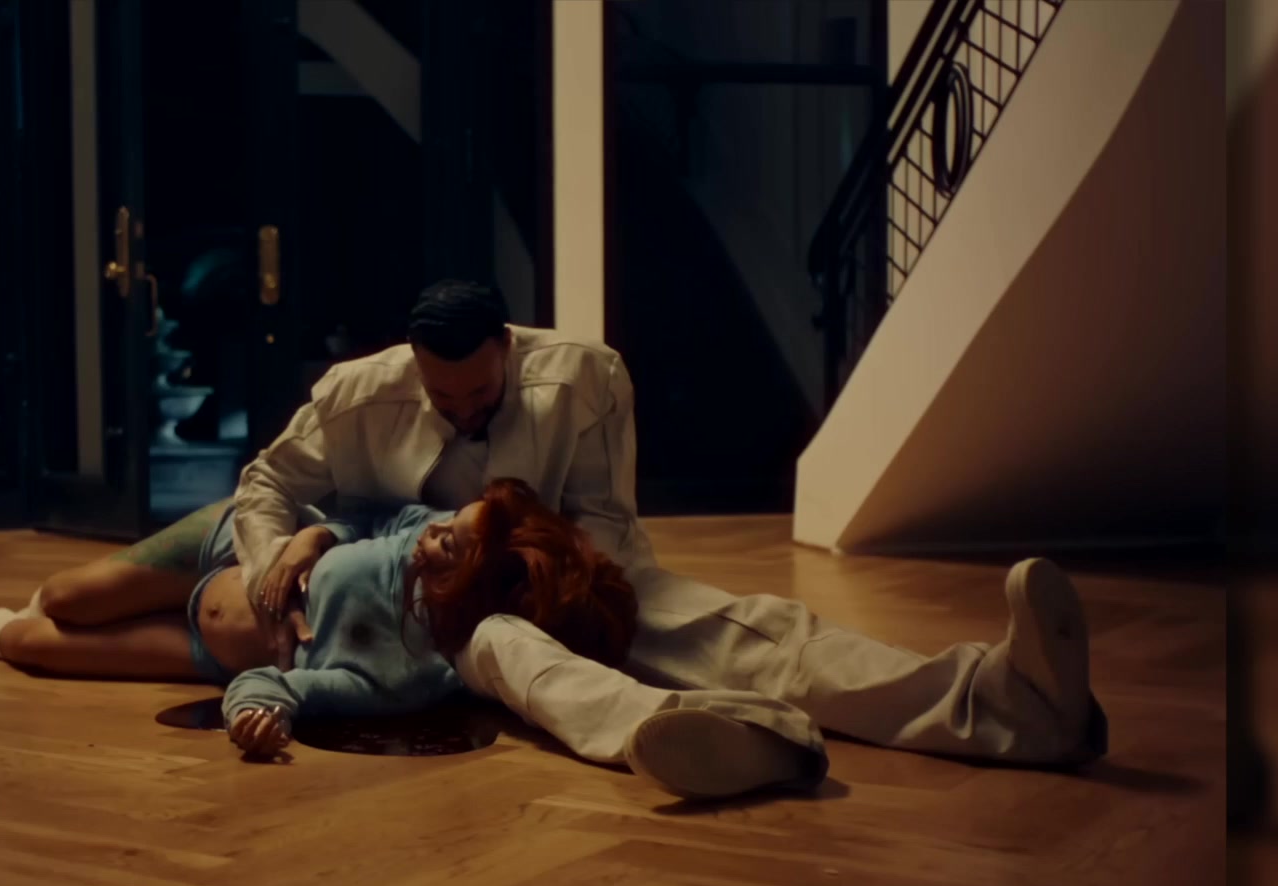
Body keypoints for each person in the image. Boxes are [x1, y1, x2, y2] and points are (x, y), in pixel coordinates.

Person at [223, 280, 1104, 799]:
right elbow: (265, 484)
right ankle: (724, 735)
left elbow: (605, 533)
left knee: (755, 634)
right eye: (440, 399)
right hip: (428, 622)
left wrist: (550, 590)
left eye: (479, 394)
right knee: (522, 660)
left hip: (562, 581)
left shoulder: (587, 377)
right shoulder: (353, 393)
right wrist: (274, 577)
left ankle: (1008, 700)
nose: (462, 414)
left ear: (508, 348)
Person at [0, 479, 639, 760]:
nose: (432, 533)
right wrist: (311, 538)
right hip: (230, 547)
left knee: (32, 644)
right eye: (447, 521)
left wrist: (256, 717)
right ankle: (29, 604)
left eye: (449, 544)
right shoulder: (420, 531)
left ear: (472, 587)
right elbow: (364, 518)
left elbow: (280, 687)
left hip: (209, 648)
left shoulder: (405, 675)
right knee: (63, 596)